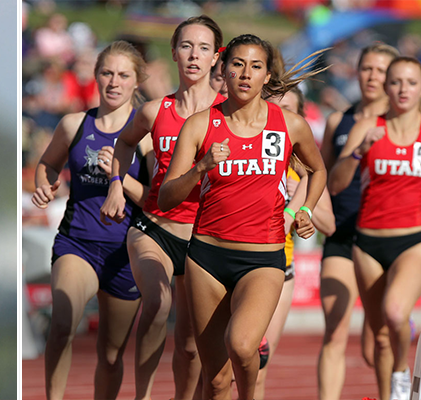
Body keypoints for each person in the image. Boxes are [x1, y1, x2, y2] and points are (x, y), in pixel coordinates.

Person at [157, 34, 327, 400]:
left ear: (267, 76)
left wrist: (302, 210)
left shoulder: (290, 125)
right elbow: (168, 197)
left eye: (255, 66)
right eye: (237, 64)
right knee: (215, 380)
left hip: (263, 258)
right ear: (223, 70)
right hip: (207, 257)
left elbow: (318, 170)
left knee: (244, 345)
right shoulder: (200, 125)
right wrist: (200, 167)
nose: (246, 74)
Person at [328, 56, 421, 400]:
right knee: (379, 334)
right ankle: (388, 393)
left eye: (410, 82)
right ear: (386, 87)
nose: (402, 89)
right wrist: (357, 152)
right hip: (367, 244)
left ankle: (400, 374)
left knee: (395, 313)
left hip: (414, 242)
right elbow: (335, 184)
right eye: (395, 82)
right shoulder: (366, 127)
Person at [100, 15, 224, 400]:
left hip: (204, 239)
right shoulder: (156, 112)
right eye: (186, 46)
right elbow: (123, 144)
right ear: (173, 53)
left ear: (216, 57)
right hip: (153, 227)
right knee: (156, 302)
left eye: (204, 48)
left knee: (190, 345)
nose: (193, 55)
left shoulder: (230, 113)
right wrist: (116, 186)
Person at [31, 40, 147, 400]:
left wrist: (120, 177)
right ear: (95, 76)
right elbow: (48, 164)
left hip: (124, 254)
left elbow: (158, 200)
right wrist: (45, 184)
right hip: (77, 242)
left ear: (136, 82)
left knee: (110, 355)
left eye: (123, 75)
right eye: (107, 73)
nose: (114, 81)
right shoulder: (74, 124)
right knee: (62, 325)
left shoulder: (147, 134)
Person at [317, 43, 399, 400]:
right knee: (334, 331)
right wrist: (310, 212)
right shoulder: (339, 120)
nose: (372, 77)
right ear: (357, 70)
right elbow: (321, 178)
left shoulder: (401, 123)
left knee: (375, 344)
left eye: (381, 71)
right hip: (343, 232)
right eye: (367, 68)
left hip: (385, 237)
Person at [254, 87, 336, 400]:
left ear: (300, 117)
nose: (281, 115)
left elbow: (329, 224)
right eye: (274, 107)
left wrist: (302, 204)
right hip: (235, 261)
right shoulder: (251, 147)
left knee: (258, 366)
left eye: (289, 109)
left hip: (279, 269)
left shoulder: (303, 167)